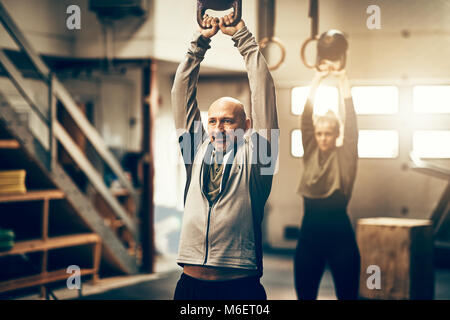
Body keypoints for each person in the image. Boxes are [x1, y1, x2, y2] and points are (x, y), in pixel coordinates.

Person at [171, 13, 278, 300]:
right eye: (213, 120)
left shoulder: (258, 160)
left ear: (247, 126)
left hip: (239, 288)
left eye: (228, 121)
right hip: (190, 285)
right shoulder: (196, 151)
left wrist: (243, 38)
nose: (219, 128)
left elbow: (264, 92)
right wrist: (198, 43)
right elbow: (181, 92)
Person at [294, 66, 360, 300]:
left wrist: (343, 80)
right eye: (319, 133)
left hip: (340, 240)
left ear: (336, 135)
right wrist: (316, 80)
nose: (322, 138)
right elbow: (305, 121)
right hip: (309, 240)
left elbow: (351, 124)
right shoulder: (310, 152)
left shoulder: (345, 157)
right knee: (305, 296)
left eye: (328, 133)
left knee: (347, 296)